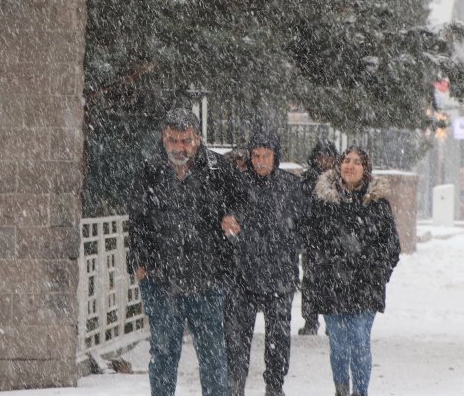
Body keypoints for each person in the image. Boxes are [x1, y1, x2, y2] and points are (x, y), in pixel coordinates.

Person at [128, 108, 243, 396]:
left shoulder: (218, 168)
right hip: (161, 280)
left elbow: (243, 200)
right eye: (173, 140)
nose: (179, 148)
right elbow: (137, 219)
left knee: (213, 355)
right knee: (163, 354)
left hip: (208, 280)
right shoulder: (150, 170)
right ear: (163, 138)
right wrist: (139, 262)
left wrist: (233, 215)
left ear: (198, 138)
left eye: (186, 141)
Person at [303, 146, 399, 396]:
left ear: (365, 169)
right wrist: (321, 272)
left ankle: (360, 391)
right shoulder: (324, 202)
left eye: (357, 162)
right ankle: (341, 389)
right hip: (332, 285)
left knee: (359, 341)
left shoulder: (377, 204)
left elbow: (391, 246)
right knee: (338, 346)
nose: (350, 166)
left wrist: (378, 274)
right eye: (346, 160)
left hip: (365, 287)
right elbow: (311, 242)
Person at [224, 130, 307, 396]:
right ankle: (235, 386)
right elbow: (223, 215)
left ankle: (274, 385)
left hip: (279, 276)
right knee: (237, 339)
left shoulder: (291, 187)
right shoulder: (237, 185)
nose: (260, 161)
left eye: (266, 156)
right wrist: (228, 220)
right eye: (256, 155)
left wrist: (289, 247)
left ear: (275, 157)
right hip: (242, 276)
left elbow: (305, 227)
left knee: (278, 338)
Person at [299, 138, 338, 336]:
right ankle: (310, 320)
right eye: (322, 156)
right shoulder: (308, 180)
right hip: (313, 239)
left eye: (329, 157)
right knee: (311, 281)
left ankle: (332, 322)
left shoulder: (338, 180)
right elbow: (302, 207)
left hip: (333, 240)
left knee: (332, 282)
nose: (325, 161)